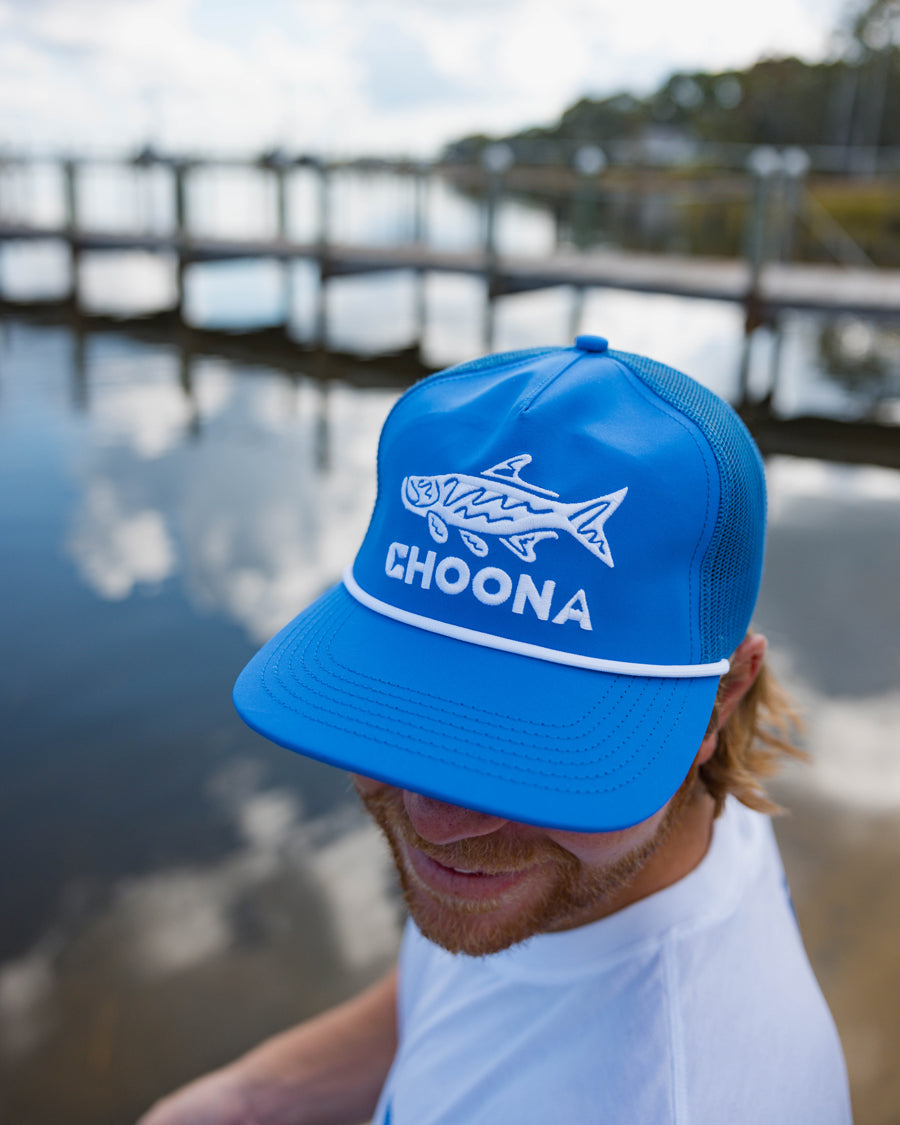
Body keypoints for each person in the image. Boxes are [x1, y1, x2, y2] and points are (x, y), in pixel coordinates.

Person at [139, 336, 852, 1125]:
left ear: (723, 699)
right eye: (404, 716)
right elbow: (444, 1012)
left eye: (531, 758)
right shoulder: (631, 854)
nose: (437, 823)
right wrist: (235, 1106)